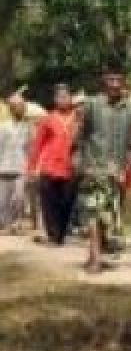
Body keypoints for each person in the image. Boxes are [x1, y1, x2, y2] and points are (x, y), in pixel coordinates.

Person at [74, 64, 131, 274]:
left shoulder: (130, 110)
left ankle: (96, 253)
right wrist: (79, 164)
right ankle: (95, 258)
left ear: (124, 83)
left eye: (118, 80)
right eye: (111, 80)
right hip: (94, 170)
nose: (115, 84)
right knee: (93, 213)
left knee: (108, 216)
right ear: (104, 81)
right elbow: (79, 137)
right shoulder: (91, 105)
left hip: (116, 173)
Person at [28, 84, 79, 245]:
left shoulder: (79, 119)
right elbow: (37, 144)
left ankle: (61, 233)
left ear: (71, 98)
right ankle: (53, 235)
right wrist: (31, 167)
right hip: (49, 167)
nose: (63, 100)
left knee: (67, 202)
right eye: (59, 97)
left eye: (66, 96)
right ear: (55, 100)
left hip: (71, 168)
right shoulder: (48, 119)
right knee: (49, 203)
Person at [0, 93, 35, 233]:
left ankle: (16, 222)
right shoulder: (3, 126)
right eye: (18, 106)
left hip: (21, 166)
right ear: (11, 108)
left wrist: (32, 167)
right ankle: (6, 224)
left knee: (19, 197)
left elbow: (31, 147)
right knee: (3, 199)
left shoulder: (27, 126)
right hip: (4, 166)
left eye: (22, 106)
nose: (21, 109)